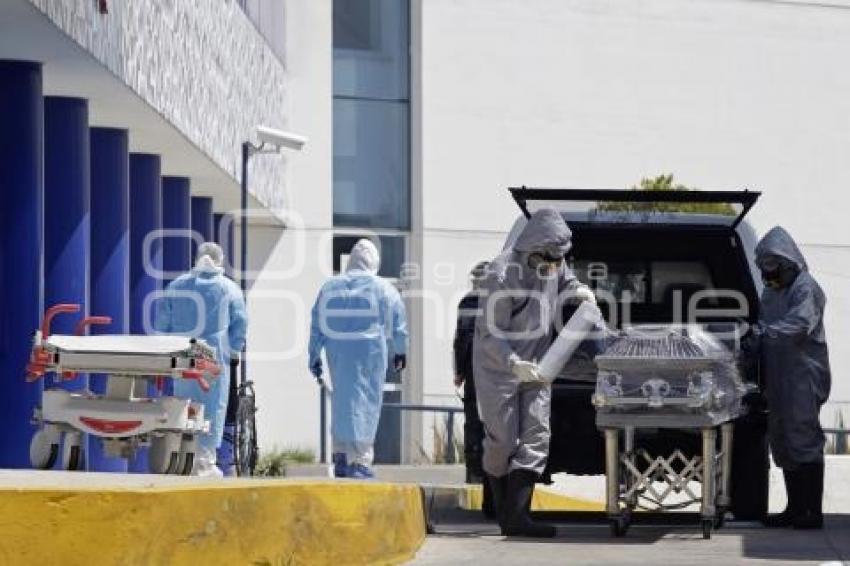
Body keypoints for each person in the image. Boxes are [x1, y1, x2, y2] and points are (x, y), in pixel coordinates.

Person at [474, 208, 595, 537]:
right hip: (499, 367)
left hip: (539, 364)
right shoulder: (500, 274)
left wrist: (578, 289)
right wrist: (513, 363)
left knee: (537, 435)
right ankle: (503, 511)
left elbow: (566, 280)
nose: (553, 266)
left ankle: (517, 517)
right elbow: (490, 332)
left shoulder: (553, 260)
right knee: (502, 441)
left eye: (558, 260)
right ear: (532, 248)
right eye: (548, 259)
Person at [751, 226, 831, 529]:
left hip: (802, 373)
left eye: (774, 270)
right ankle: (794, 507)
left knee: (803, 436)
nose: (770, 277)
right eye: (765, 271)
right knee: (781, 439)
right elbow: (762, 325)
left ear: (789, 263)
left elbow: (798, 325)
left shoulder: (805, 288)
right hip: (777, 374)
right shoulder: (772, 292)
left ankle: (812, 510)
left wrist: (764, 334)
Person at [308, 239, 408, 479]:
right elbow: (399, 324)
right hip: (370, 353)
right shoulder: (384, 288)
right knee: (366, 403)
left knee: (342, 401)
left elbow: (316, 323)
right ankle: (359, 461)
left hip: (338, 351)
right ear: (374, 261)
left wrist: (313, 355)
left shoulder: (330, 287)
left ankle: (341, 455)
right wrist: (401, 351)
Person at [156, 242, 248, 478]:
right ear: (220, 260)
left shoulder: (177, 286)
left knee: (183, 403)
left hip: (182, 354)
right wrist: (235, 350)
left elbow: (162, 324)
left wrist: (164, 349)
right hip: (215, 357)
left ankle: (180, 456)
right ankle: (204, 461)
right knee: (212, 407)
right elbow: (240, 324)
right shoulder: (229, 288)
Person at [453, 261, 493, 516]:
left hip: (475, 376)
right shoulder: (504, 301)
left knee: (475, 427)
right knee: (498, 431)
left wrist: (458, 371)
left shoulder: (469, 303)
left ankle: (478, 474)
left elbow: (463, 339)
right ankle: (494, 497)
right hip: (500, 375)